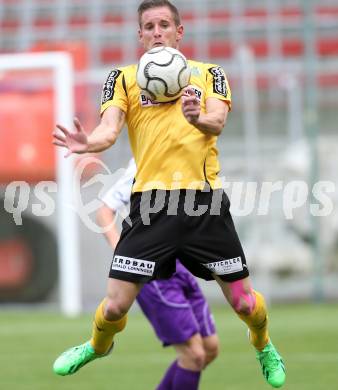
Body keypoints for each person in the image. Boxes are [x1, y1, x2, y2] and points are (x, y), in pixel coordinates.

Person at [52, 0, 286, 388]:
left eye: (164, 24)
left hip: (203, 205)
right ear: (140, 35)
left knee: (245, 303)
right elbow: (108, 131)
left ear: (180, 32)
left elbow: (217, 121)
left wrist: (197, 118)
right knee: (114, 306)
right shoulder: (122, 78)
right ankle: (97, 345)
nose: (156, 31)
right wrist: (88, 142)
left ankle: (262, 343)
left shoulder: (210, 73)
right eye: (149, 26)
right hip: (151, 207)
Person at [96, 158, 219, 389]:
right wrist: (125, 256)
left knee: (209, 348)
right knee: (194, 355)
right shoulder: (146, 157)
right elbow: (104, 212)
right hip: (152, 272)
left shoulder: (193, 151)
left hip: (182, 266)